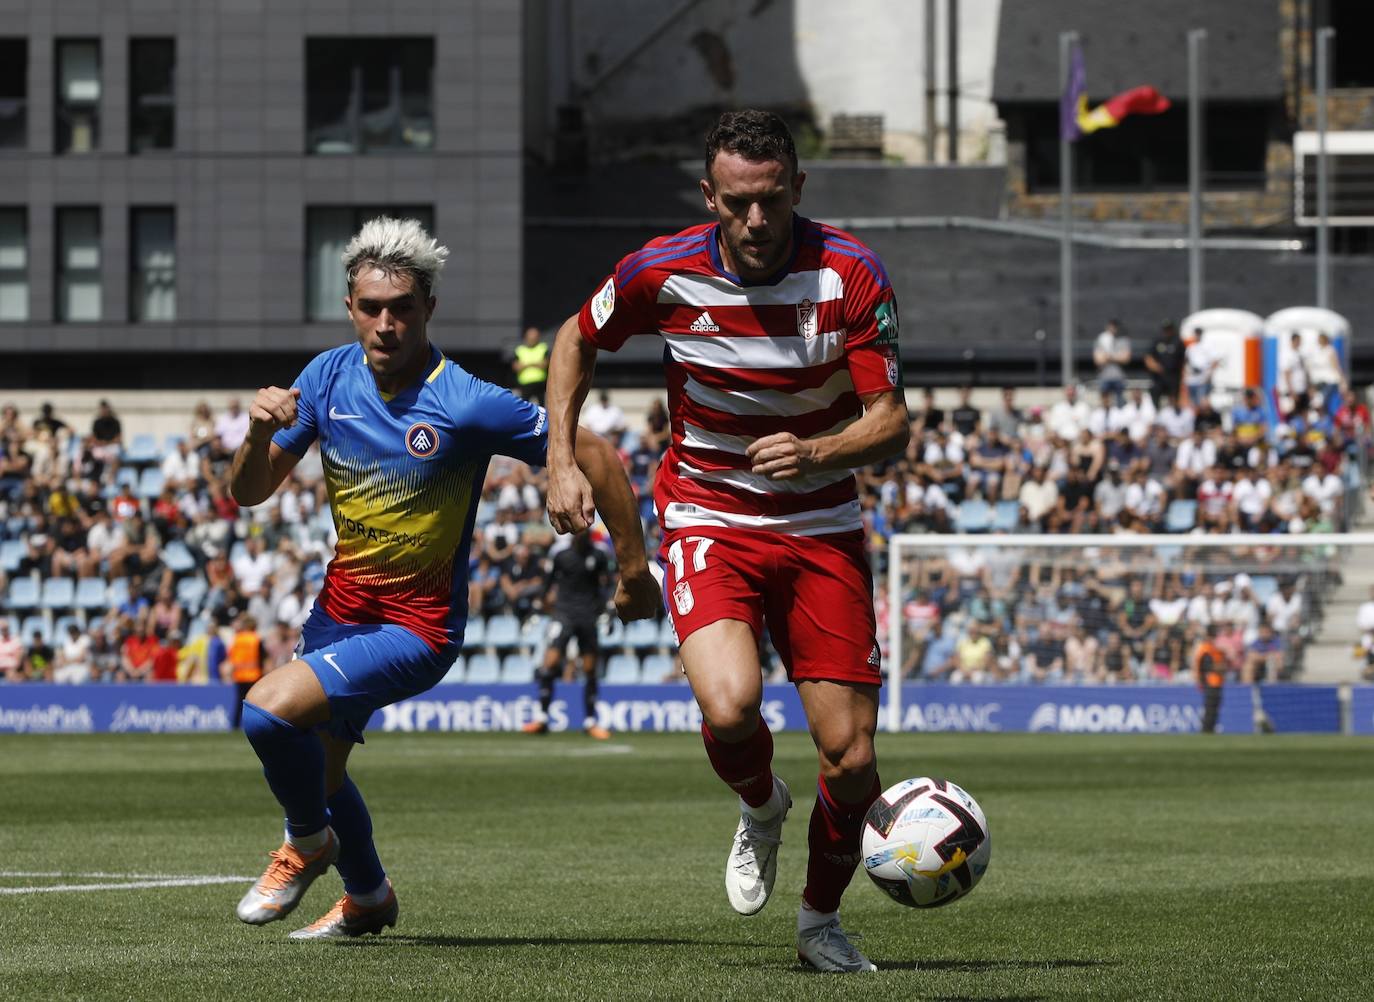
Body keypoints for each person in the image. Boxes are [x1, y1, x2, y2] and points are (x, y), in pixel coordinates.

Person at [543, 110, 910, 973]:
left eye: (772, 201)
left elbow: (891, 422)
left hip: (821, 524)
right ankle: (760, 802)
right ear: (710, 196)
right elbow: (575, 337)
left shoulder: (851, 272)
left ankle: (820, 921)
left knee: (854, 759)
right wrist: (559, 457)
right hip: (709, 513)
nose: (755, 221)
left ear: (796, 190)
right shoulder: (662, 270)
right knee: (731, 705)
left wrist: (817, 450)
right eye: (738, 203)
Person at [226, 216, 657, 941]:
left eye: (402, 308)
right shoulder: (325, 376)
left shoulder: (464, 401)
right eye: (371, 308)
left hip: (416, 629)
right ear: (350, 307)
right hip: (339, 615)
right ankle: (367, 896)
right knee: (325, 775)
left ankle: (306, 842)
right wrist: (258, 433)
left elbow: (599, 457)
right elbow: (248, 492)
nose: (386, 324)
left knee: (267, 712)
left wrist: (634, 569)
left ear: (429, 307)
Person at [521, 530, 612, 738]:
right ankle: (542, 718)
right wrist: (536, 609)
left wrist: (608, 609)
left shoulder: (599, 554)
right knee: (549, 664)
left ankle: (590, 722)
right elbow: (547, 583)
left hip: (589, 615)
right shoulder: (560, 553)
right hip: (563, 614)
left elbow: (607, 584)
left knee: (589, 669)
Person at [1194, 626, 1229, 733]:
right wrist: (1222, 667)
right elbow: (1208, 667)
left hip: (1216, 682)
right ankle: (1207, 730)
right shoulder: (1206, 649)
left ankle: (1210, 729)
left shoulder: (1211, 649)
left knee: (1214, 709)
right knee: (1210, 709)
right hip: (1211, 683)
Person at [1144, 321, 1184, 404]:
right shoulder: (1157, 341)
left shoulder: (1177, 342)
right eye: (1165, 329)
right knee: (1154, 393)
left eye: (1169, 329)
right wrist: (1154, 366)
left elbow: (1184, 359)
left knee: (1173, 397)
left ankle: (1172, 413)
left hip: (1173, 376)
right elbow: (1148, 356)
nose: (1167, 332)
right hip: (1159, 376)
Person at [1093, 319, 1130, 404]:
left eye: (1115, 326)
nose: (1113, 328)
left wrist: (1108, 357)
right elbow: (1098, 360)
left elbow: (1126, 359)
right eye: (1111, 326)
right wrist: (1117, 356)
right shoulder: (1100, 339)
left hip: (1119, 377)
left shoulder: (1123, 340)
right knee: (1105, 403)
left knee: (1120, 403)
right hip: (1104, 377)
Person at [510, 325, 550, 402]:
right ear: (526, 337)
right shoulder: (519, 350)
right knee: (524, 406)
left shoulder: (543, 348)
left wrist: (526, 364)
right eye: (530, 337)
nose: (532, 339)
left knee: (542, 407)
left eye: (534, 337)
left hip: (540, 384)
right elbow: (516, 367)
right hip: (525, 384)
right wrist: (535, 364)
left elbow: (545, 364)